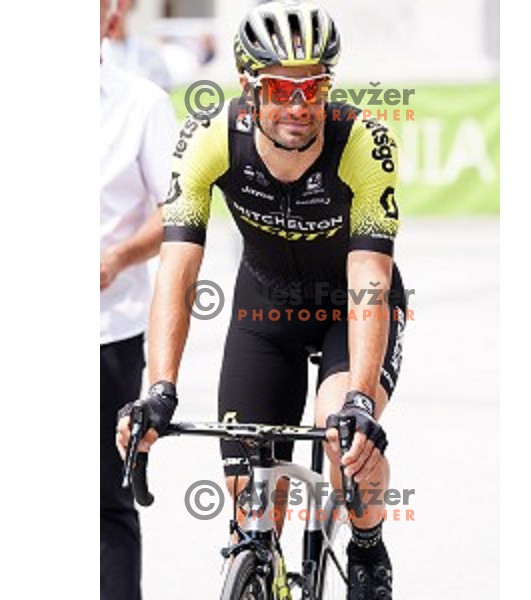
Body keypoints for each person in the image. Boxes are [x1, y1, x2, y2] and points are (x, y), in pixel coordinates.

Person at [117, 1, 406, 598]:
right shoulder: (210, 137)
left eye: (314, 88)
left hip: (345, 311)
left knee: (342, 432)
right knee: (252, 502)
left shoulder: (363, 141)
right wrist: (160, 388)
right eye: (280, 88)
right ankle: (258, 570)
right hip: (265, 311)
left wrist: (359, 399)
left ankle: (370, 549)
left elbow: (370, 277)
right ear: (250, 87)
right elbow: (176, 270)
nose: (300, 106)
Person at [100, 0, 177, 598]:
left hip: (107, 335)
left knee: (107, 503)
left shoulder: (142, 103)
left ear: (111, 15)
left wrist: (118, 257)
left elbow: (176, 213)